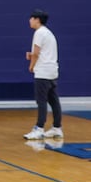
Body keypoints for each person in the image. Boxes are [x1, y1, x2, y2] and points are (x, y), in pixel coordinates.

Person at [23, 9, 62, 140]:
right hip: (52, 70)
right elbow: (43, 52)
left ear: (37, 20)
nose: (30, 21)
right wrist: (32, 55)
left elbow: (36, 53)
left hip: (43, 72)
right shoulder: (49, 33)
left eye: (31, 18)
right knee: (53, 100)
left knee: (41, 101)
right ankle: (57, 128)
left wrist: (31, 66)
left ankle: (39, 128)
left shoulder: (39, 33)